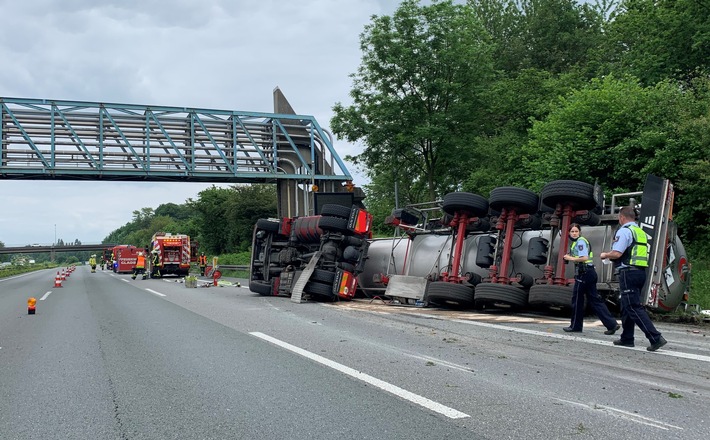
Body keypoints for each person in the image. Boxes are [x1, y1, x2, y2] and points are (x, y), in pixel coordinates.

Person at [600, 206, 667, 351]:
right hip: (640, 272)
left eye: (619, 217)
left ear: (622, 217)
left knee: (632, 306)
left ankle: (655, 337)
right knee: (626, 305)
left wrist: (605, 255)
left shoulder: (625, 231)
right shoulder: (640, 232)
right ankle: (627, 338)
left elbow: (617, 253)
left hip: (628, 272)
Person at [562, 223, 620, 335]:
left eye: (576, 231)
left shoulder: (580, 242)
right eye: (572, 231)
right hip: (589, 273)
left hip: (584, 273)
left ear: (579, 232)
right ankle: (611, 324)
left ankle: (575, 326)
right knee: (594, 300)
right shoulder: (577, 242)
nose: (574, 234)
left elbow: (584, 257)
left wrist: (569, 257)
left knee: (577, 299)